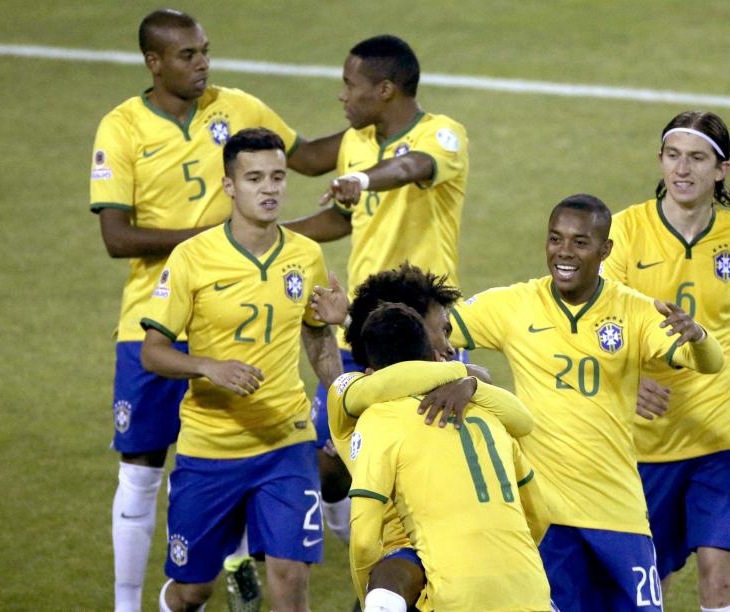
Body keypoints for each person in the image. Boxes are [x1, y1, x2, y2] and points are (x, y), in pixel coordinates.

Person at [89, 9, 339, 611]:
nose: (202, 63)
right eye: (187, 55)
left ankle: (250, 551)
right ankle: (134, 602)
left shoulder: (241, 109)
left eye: (205, 51)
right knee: (144, 472)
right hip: (158, 317)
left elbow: (305, 157)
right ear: (154, 62)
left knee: (287, 571)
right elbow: (118, 238)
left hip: (275, 416)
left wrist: (373, 132)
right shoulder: (122, 127)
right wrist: (217, 242)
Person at [447, 194, 725, 611]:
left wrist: (699, 337)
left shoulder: (634, 310)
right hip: (547, 519)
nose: (564, 252)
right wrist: (455, 375)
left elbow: (708, 362)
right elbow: (435, 329)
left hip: (618, 512)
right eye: (555, 239)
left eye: (580, 242)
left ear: (604, 250)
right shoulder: (514, 306)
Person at [139, 128, 342, 611]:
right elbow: (152, 351)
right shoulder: (193, 258)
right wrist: (207, 367)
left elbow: (316, 334)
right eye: (254, 178)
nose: (269, 188)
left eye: (277, 177)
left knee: (291, 578)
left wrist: (340, 401)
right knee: (193, 591)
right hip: (210, 448)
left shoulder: (305, 254)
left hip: (285, 442)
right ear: (229, 186)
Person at [283, 33, 469, 539]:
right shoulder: (355, 143)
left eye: (350, 84)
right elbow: (342, 219)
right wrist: (276, 236)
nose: (343, 95)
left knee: (418, 453)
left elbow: (411, 168)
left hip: (424, 331)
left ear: (385, 89)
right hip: (359, 326)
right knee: (330, 455)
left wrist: (363, 180)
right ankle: (353, 537)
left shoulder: (443, 135)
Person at [601, 111, 730, 612]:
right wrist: (626, 385)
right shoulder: (622, 233)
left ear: (721, 170)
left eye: (698, 158)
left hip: (720, 434)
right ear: (660, 161)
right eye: (674, 156)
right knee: (643, 586)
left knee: (719, 576)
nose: (683, 169)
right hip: (643, 441)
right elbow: (597, 329)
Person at [316, 263, 536, 612]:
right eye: (442, 332)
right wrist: (465, 374)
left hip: (450, 553)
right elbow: (384, 380)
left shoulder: (459, 398)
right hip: (408, 555)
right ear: (413, 330)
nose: (450, 347)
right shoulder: (358, 391)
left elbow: (522, 419)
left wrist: (471, 383)